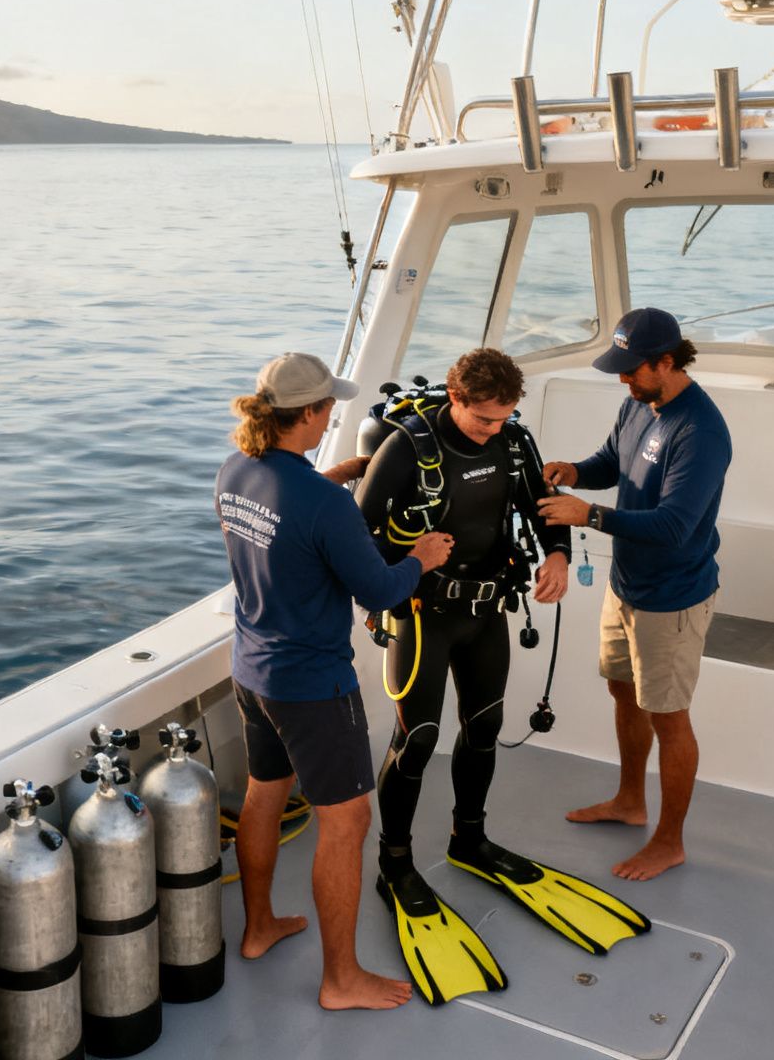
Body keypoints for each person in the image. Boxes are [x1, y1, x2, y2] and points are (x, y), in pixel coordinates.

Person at [355, 347, 649, 1004]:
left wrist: (557, 557)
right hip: (424, 617)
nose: (497, 429)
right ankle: (394, 861)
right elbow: (358, 534)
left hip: (487, 610)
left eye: (505, 417)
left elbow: (543, 501)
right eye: (485, 419)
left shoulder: (513, 439)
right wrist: (410, 560)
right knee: (419, 739)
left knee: (484, 727)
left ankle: (470, 838)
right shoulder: (407, 449)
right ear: (455, 400)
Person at [214, 351, 453, 1011]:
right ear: (313, 414)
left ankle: (259, 928)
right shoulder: (323, 505)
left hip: (252, 669)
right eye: (327, 408)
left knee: (265, 791)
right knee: (346, 821)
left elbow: (285, 513)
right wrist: (420, 559)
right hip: (313, 686)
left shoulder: (236, 470)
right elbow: (377, 588)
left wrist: (332, 479)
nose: (331, 417)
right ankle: (341, 978)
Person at [537, 308, 732, 881]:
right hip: (626, 586)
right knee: (623, 692)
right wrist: (572, 470)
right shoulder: (639, 403)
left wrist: (588, 514)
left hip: (671, 597)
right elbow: (612, 462)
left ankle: (669, 841)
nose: (622, 380)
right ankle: (629, 802)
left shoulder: (701, 430)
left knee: (669, 717)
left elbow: (674, 524)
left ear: (667, 363)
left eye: (632, 370)